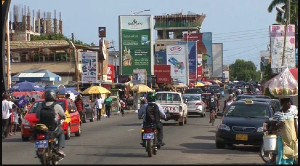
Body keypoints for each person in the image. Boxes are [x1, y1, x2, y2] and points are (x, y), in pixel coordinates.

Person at [35, 90, 66, 157]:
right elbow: (63, 115)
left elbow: (37, 115)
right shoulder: (57, 106)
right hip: (52, 129)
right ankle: (59, 149)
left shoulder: (41, 105)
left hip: (42, 129)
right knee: (61, 132)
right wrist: (63, 118)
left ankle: (39, 150)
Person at [269, 98, 298, 164]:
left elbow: (296, 126)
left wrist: (297, 137)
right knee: (282, 158)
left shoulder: (292, 114)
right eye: (287, 102)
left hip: (291, 140)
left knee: (290, 159)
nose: (289, 104)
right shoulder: (277, 114)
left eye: (290, 102)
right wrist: (279, 125)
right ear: (282, 104)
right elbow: (272, 128)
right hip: (282, 141)